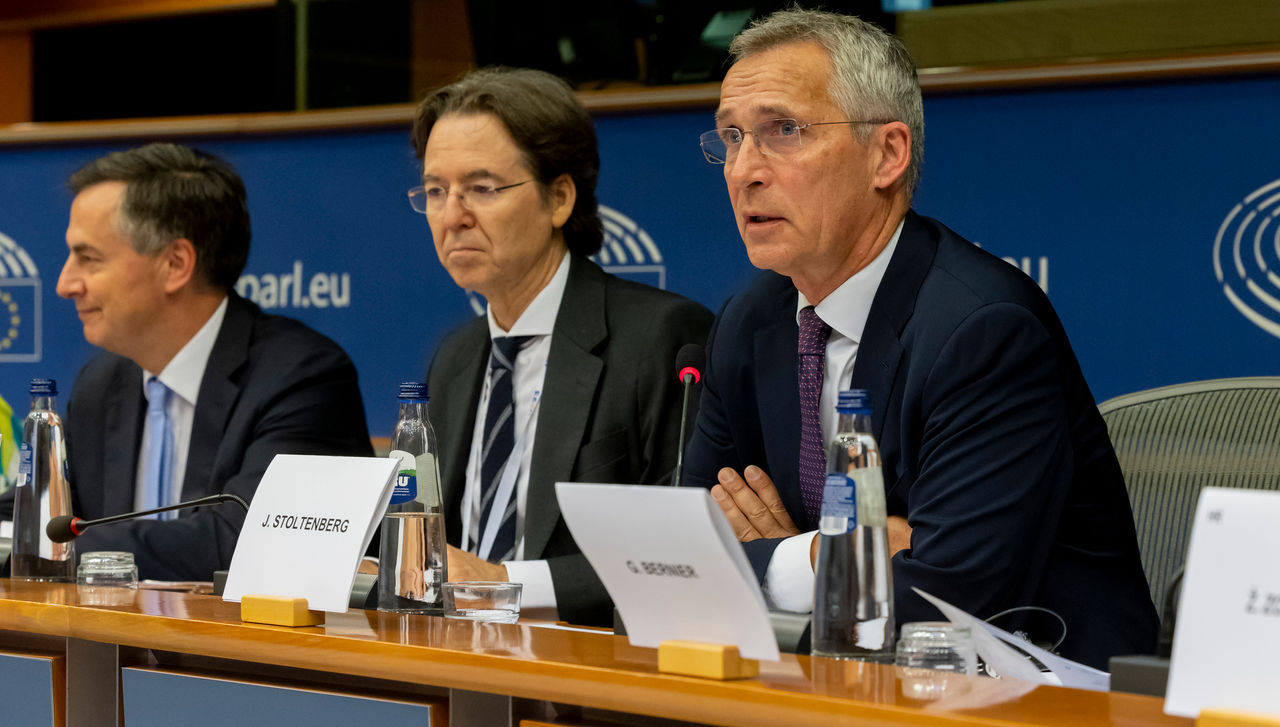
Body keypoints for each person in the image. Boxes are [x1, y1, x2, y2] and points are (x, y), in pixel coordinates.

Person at [682, 8, 1157, 668]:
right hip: (835, 680)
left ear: (887, 154)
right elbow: (685, 562)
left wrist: (775, 567)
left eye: (782, 130)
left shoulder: (982, 329)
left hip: (1036, 686)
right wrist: (817, 556)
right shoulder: (749, 320)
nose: (743, 170)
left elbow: (943, 602)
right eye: (732, 137)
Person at [412, 68, 713, 626]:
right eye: (435, 191)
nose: (452, 216)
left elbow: (680, 554)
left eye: (482, 188)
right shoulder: (455, 358)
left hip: (587, 660)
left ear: (558, 198)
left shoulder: (662, 338)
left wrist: (504, 583)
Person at [0, 143, 373, 581]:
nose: (65, 284)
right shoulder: (101, 385)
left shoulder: (303, 379)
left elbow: (245, 541)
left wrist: (44, 549)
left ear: (175, 264)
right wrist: (27, 537)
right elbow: (38, 511)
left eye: (89, 259)